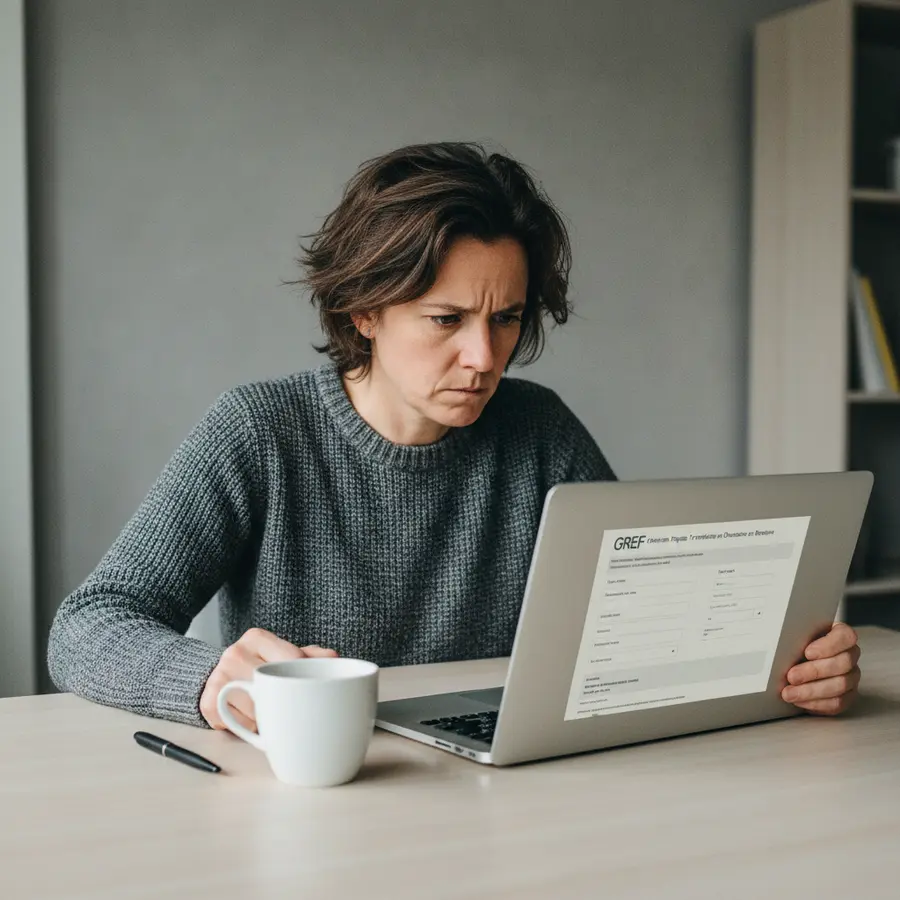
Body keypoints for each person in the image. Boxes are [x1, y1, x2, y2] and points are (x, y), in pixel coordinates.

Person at [46, 141, 861, 731]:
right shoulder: (260, 430)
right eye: (446, 319)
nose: (483, 357)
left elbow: (645, 622)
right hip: (324, 800)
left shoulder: (540, 429)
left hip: (501, 790)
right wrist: (206, 680)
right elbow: (88, 625)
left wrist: (791, 664)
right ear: (365, 309)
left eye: (505, 319)